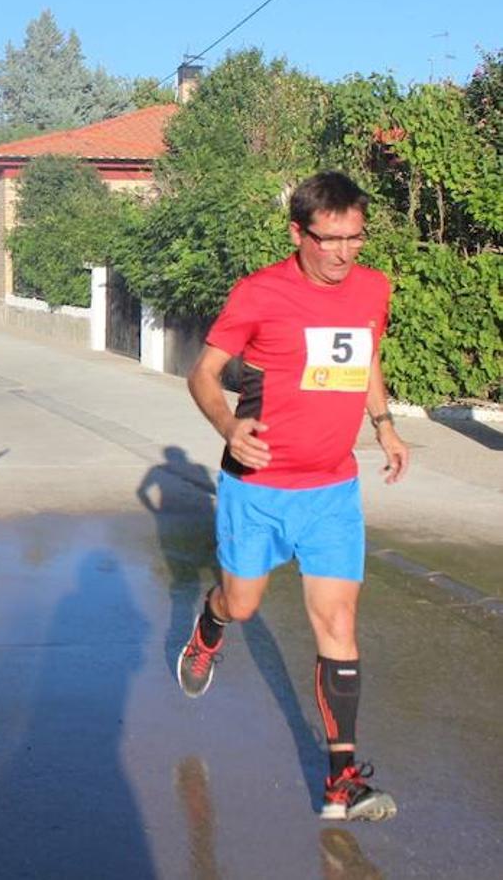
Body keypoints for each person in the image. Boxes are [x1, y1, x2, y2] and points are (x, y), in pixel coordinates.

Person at [181, 172, 409, 822]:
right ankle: (210, 625)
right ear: (298, 233)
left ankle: (342, 783)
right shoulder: (259, 294)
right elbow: (203, 373)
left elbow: (364, 357)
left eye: (355, 238)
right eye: (329, 239)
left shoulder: (372, 288)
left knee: (338, 623)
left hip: (332, 488)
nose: (343, 253)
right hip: (257, 488)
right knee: (244, 603)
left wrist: (384, 426)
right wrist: (230, 427)